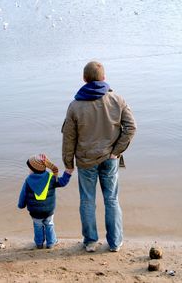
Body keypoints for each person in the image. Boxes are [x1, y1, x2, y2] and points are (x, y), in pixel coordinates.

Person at [62, 61, 136, 252]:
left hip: (86, 160)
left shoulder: (75, 105)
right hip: (110, 158)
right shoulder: (117, 99)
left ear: (84, 79)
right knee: (111, 199)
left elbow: (69, 138)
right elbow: (131, 128)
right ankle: (115, 242)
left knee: (87, 200)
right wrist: (116, 151)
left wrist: (68, 164)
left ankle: (90, 242)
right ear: (104, 78)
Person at [18, 154, 73, 249]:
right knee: (49, 225)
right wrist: (68, 173)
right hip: (49, 210)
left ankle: (39, 243)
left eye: (29, 168)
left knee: (37, 226)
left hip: (34, 211)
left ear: (33, 169)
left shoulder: (28, 181)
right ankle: (51, 243)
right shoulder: (51, 177)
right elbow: (63, 182)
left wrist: (21, 205)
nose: (29, 170)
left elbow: (23, 195)